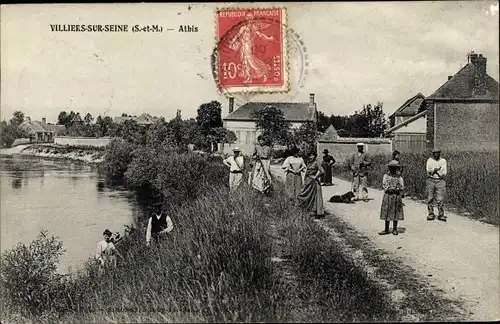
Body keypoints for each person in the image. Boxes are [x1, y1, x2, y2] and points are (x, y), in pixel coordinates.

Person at [379, 160, 405, 235]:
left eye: (394, 168)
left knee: (396, 211)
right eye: (391, 168)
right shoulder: (386, 176)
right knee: (387, 211)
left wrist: (397, 189)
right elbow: (385, 186)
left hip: (396, 196)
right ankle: (386, 229)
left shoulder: (399, 177)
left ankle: (394, 229)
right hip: (388, 195)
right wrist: (390, 189)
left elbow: (402, 187)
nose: (392, 169)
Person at [297, 151, 325, 218]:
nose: (311, 157)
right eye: (310, 155)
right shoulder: (309, 163)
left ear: (314, 156)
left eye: (312, 155)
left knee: (315, 196)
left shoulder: (317, 162)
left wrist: (315, 176)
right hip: (308, 181)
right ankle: (307, 209)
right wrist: (305, 181)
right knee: (303, 194)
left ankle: (316, 212)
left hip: (314, 182)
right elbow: (307, 173)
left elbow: (322, 171)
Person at [426, 148, 447, 221]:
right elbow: (428, 171)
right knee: (430, 198)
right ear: (432, 153)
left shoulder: (443, 161)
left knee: (440, 198)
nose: (436, 154)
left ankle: (441, 214)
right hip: (431, 180)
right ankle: (431, 214)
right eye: (435, 153)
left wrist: (435, 171)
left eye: (438, 153)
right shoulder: (430, 160)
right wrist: (435, 170)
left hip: (440, 180)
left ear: (440, 153)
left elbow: (443, 173)